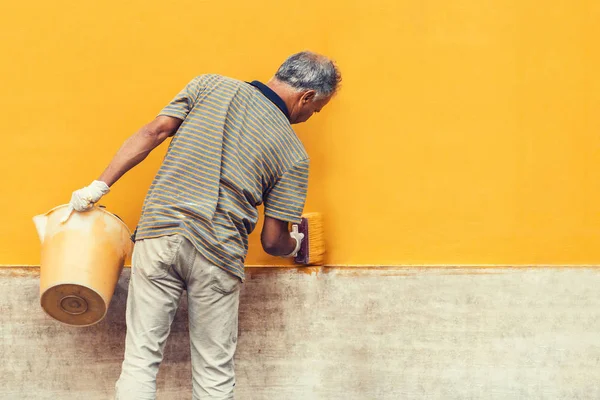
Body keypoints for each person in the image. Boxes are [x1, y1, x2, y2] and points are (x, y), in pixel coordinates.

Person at [64, 51, 341, 400]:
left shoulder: (209, 85)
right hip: (218, 253)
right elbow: (273, 241)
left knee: (139, 362)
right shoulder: (294, 155)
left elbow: (154, 131)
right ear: (306, 97)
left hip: (162, 230)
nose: (309, 117)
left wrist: (98, 187)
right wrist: (296, 242)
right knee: (214, 373)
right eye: (314, 110)